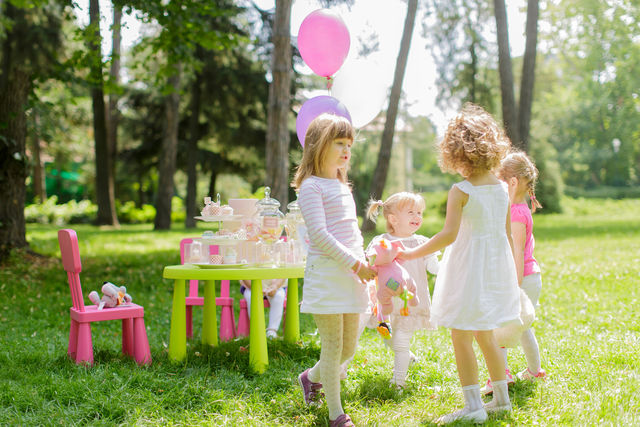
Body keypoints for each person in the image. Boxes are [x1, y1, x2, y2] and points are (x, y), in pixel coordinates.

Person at [398, 103, 521, 424]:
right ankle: (502, 401)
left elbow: (448, 235)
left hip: (467, 268)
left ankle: (473, 407)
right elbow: (507, 235)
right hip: (493, 267)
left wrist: (412, 253)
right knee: (486, 334)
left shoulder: (461, 190)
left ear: (456, 153)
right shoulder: (502, 189)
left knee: (461, 335)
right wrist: (509, 275)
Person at [293, 113, 377, 427]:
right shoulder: (311, 187)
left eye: (348, 145)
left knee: (348, 347)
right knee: (331, 344)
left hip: (352, 273)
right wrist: (356, 264)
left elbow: (349, 232)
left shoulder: (342, 185)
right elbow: (320, 235)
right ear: (318, 145)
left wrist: (365, 260)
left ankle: (310, 377)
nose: (346, 150)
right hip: (329, 274)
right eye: (338, 143)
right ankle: (336, 414)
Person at [480, 151, 545, 393]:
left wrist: (512, 285)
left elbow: (517, 252)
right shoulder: (518, 208)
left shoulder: (516, 213)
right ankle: (534, 371)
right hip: (529, 277)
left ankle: (502, 374)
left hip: (520, 278)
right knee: (520, 326)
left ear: (512, 182)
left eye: (499, 180)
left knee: (499, 324)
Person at [365, 192, 440, 389]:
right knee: (388, 337)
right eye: (411, 212)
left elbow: (434, 267)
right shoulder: (381, 243)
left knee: (400, 341)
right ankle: (409, 357)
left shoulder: (422, 242)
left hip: (410, 303)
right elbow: (370, 264)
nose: (417, 217)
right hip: (386, 303)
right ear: (393, 219)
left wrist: (449, 267)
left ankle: (398, 382)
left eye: (419, 213)